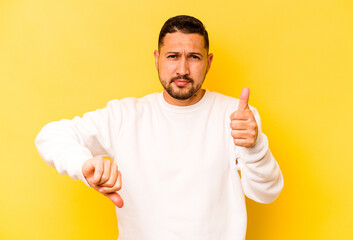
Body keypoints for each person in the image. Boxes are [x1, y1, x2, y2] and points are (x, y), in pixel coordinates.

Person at [35, 15, 283, 240]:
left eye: (193, 57)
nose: (182, 69)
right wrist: (83, 164)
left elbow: (266, 193)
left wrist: (255, 146)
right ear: (157, 59)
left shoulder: (236, 117)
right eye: (173, 56)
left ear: (208, 62)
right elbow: (50, 136)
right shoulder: (125, 115)